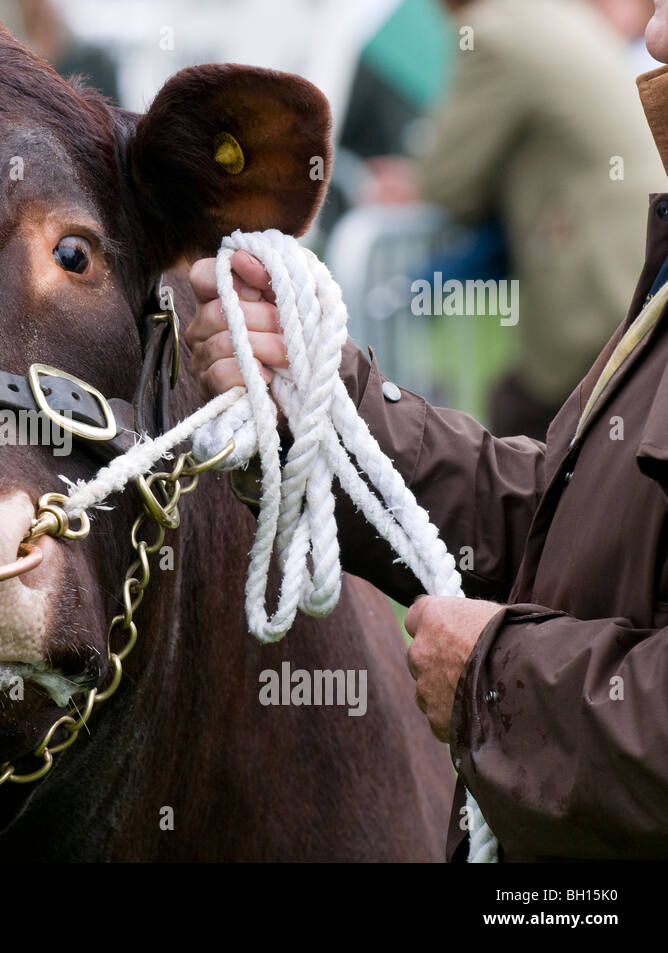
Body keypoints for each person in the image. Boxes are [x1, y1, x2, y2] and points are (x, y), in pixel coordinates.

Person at [185, 2, 668, 861]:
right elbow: (566, 537)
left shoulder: (507, 30)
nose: (656, 35)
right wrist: (333, 404)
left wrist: (494, 682)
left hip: (569, 314)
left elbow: (446, 174)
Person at [361, 0, 662, 441]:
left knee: (525, 427)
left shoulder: (492, 31)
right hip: (639, 260)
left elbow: (449, 180)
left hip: (597, 285)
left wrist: (408, 186)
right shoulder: (558, 15)